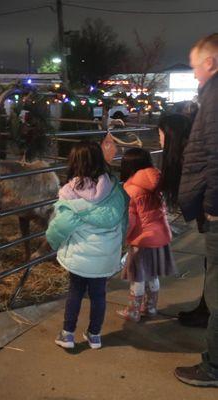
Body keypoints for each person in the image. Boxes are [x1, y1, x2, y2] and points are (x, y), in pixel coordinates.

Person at [46, 141, 128, 350]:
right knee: (99, 295)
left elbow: (60, 227)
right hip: (104, 257)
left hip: (79, 257)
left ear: (73, 163)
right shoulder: (114, 191)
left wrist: (53, 242)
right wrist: (121, 245)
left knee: (75, 293)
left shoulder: (69, 193)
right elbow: (123, 220)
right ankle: (95, 335)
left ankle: (68, 335)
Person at [174, 33, 218, 388]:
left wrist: (213, 208)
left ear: (212, 62)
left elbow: (215, 157)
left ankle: (214, 367)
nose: (194, 75)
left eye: (196, 67)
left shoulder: (216, 97)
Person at [157, 113, 211, 328]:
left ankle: (208, 312)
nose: (158, 138)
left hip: (211, 214)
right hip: (208, 215)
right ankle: (206, 308)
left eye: (160, 133)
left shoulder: (190, 157)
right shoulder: (191, 153)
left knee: (213, 265)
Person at [116, 148, 176, 322]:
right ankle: (150, 308)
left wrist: (123, 238)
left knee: (138, 276)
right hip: (161, 236)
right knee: (152, 274)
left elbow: (131, 220)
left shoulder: (131, 189)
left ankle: (133, 311)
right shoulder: (158, 182)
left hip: (142, 240)